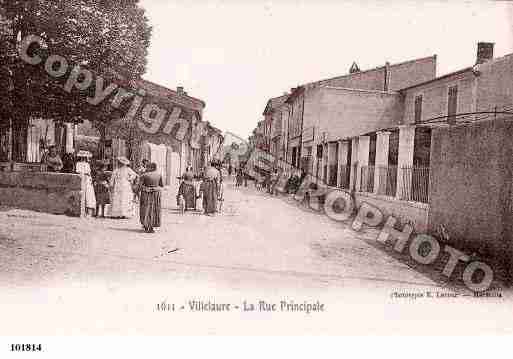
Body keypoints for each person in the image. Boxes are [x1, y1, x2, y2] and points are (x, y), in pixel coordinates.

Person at [139, 162, 163, 233]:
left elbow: (139, 186)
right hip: (156, 194)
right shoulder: (159, 175)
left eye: (147, 167)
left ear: (150, 168)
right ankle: (152, 227)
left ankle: (146, 225)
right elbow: (161, 185)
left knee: (146, 209)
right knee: (155, 210)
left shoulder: (144, 175)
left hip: (146, 193)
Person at [75, 150, 96, 216]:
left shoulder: (85, 164)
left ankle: (89, 211)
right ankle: (85, 211)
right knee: (86, 194)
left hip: (87, 179)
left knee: (89, 195)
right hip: (84, 179)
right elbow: (79, 171)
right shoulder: (80, 164)